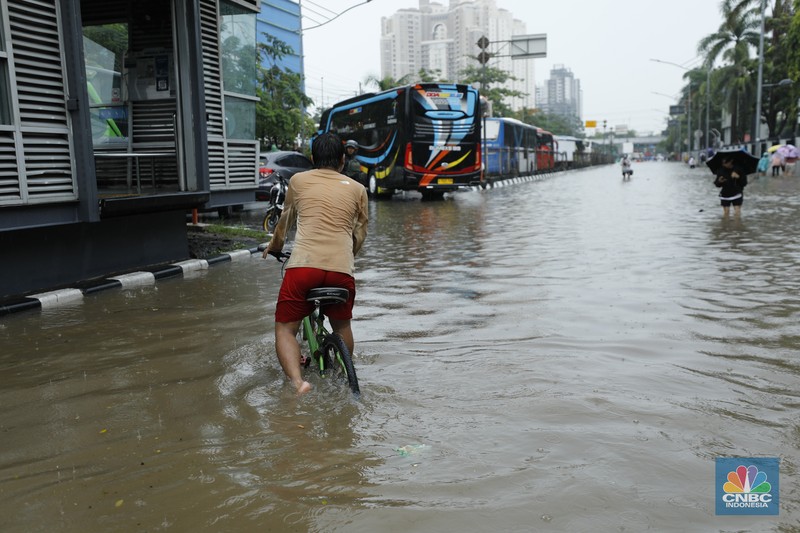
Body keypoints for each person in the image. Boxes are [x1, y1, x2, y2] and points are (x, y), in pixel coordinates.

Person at [264, 132, 369, 395]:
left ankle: (299, 384)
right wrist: (346, 258)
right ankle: (345, 373)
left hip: (303, 268)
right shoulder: (358, 189)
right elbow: (359, 234)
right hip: (341, 271)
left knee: (286, 329)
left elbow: (285, 221)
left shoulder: (299, 180)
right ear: (343, 161)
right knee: (342, 325)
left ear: (313, 158)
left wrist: (274, 248)